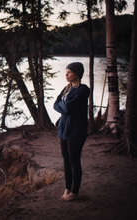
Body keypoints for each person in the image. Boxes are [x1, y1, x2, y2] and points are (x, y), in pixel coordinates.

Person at [53, 62, 90, 201]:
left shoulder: (83, 90)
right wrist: (63, 106)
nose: (66, 75)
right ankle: (67, 188)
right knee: (66, 160)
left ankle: (75, 192)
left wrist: (63, 106)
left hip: (77, 130)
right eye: (66, 72)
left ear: (77, 73)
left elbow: (66, 108)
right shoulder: (66, 89)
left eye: (69, 72)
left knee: (74, 160)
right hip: (63, 128)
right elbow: (55, 104)